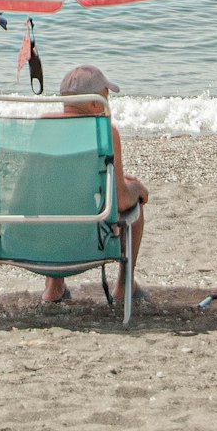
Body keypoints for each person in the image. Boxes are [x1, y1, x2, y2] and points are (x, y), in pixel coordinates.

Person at [40, 64, 149, 306]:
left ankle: (54, 287)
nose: (108, 100)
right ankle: (124, 286)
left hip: (37, 238)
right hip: (86, 240)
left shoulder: (43, 127)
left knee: (53, 199)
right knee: (135, 210)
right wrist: (137, 189)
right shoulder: (106, 133)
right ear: (93, 103)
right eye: (105, 94)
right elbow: (121, 200)